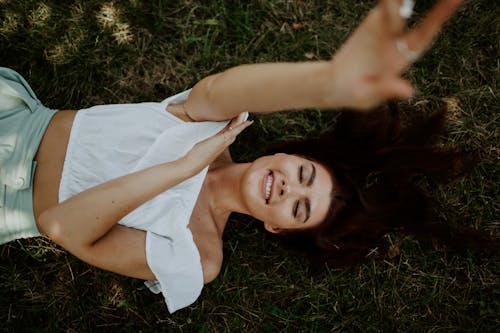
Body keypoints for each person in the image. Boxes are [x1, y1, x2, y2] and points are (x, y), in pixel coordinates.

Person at [2, 0, 492, 313]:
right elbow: (221, 88)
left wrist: (182, 169)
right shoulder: (215, 122)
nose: (287, 187)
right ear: (282, 153)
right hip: (17, 114)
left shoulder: (197, 257)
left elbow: (61, 227)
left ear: (277, 228)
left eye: (298, 206)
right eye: (303, 174)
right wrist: (327, 83)